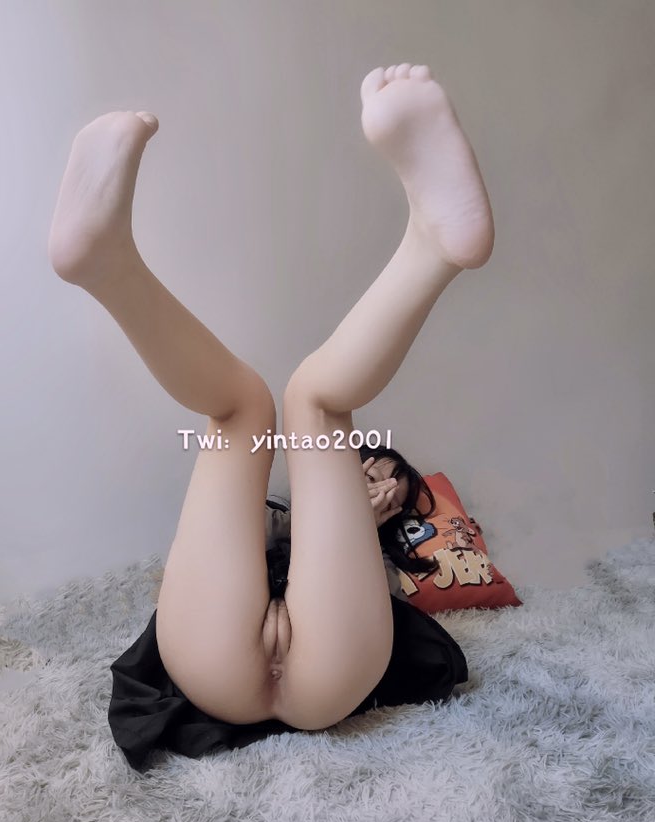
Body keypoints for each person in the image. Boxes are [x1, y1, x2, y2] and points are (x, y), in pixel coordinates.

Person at [48, 61, 494, 769]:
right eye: (368, 471)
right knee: (301, 402)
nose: (374, 482)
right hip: (272, 654)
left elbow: (437, 571)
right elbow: (244, 530)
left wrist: (381, 517)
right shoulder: (281, 514)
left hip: (274, 654)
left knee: (250, 407)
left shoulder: (386, 549)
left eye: (389, 483)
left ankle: (112, 270)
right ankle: (431, 249)